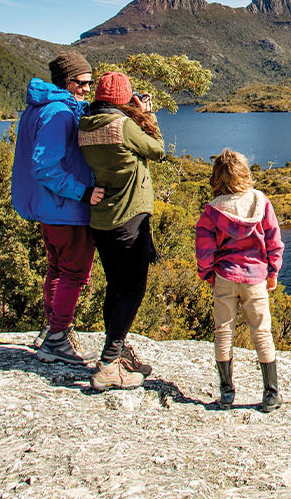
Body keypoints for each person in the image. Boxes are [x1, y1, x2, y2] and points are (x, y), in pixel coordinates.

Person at [12, 50, 104, 367]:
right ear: (68, 82)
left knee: (57, 269)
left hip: (50, 209)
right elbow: (44, 167)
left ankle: (53, 328)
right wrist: (84, 192)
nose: (88, 88)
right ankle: (56, 339)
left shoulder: (39, 109)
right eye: (84, 83)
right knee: (76, 273)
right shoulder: (59, 114)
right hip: (66, 209)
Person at [77, 71, 167, 391]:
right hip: (129, 217)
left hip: (101, 218)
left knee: (115, 287)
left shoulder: (85, 125)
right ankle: (108, 362)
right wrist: (145, 113)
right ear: (125, 100)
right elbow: (157, 149)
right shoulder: (123, 125)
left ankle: (118, 352)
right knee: (133, 288)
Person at [196, 148, 285, 411]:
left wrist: (208, 274)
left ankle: (226, 393)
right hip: (256, 278)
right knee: (261, 333)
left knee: (223, 332)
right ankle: (271, 395)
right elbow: (274, 242)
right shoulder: (260, 202)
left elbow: (204, 251)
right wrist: (273, 272)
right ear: (244, 173)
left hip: (224, 276)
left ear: (217, 178)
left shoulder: (212, 212)